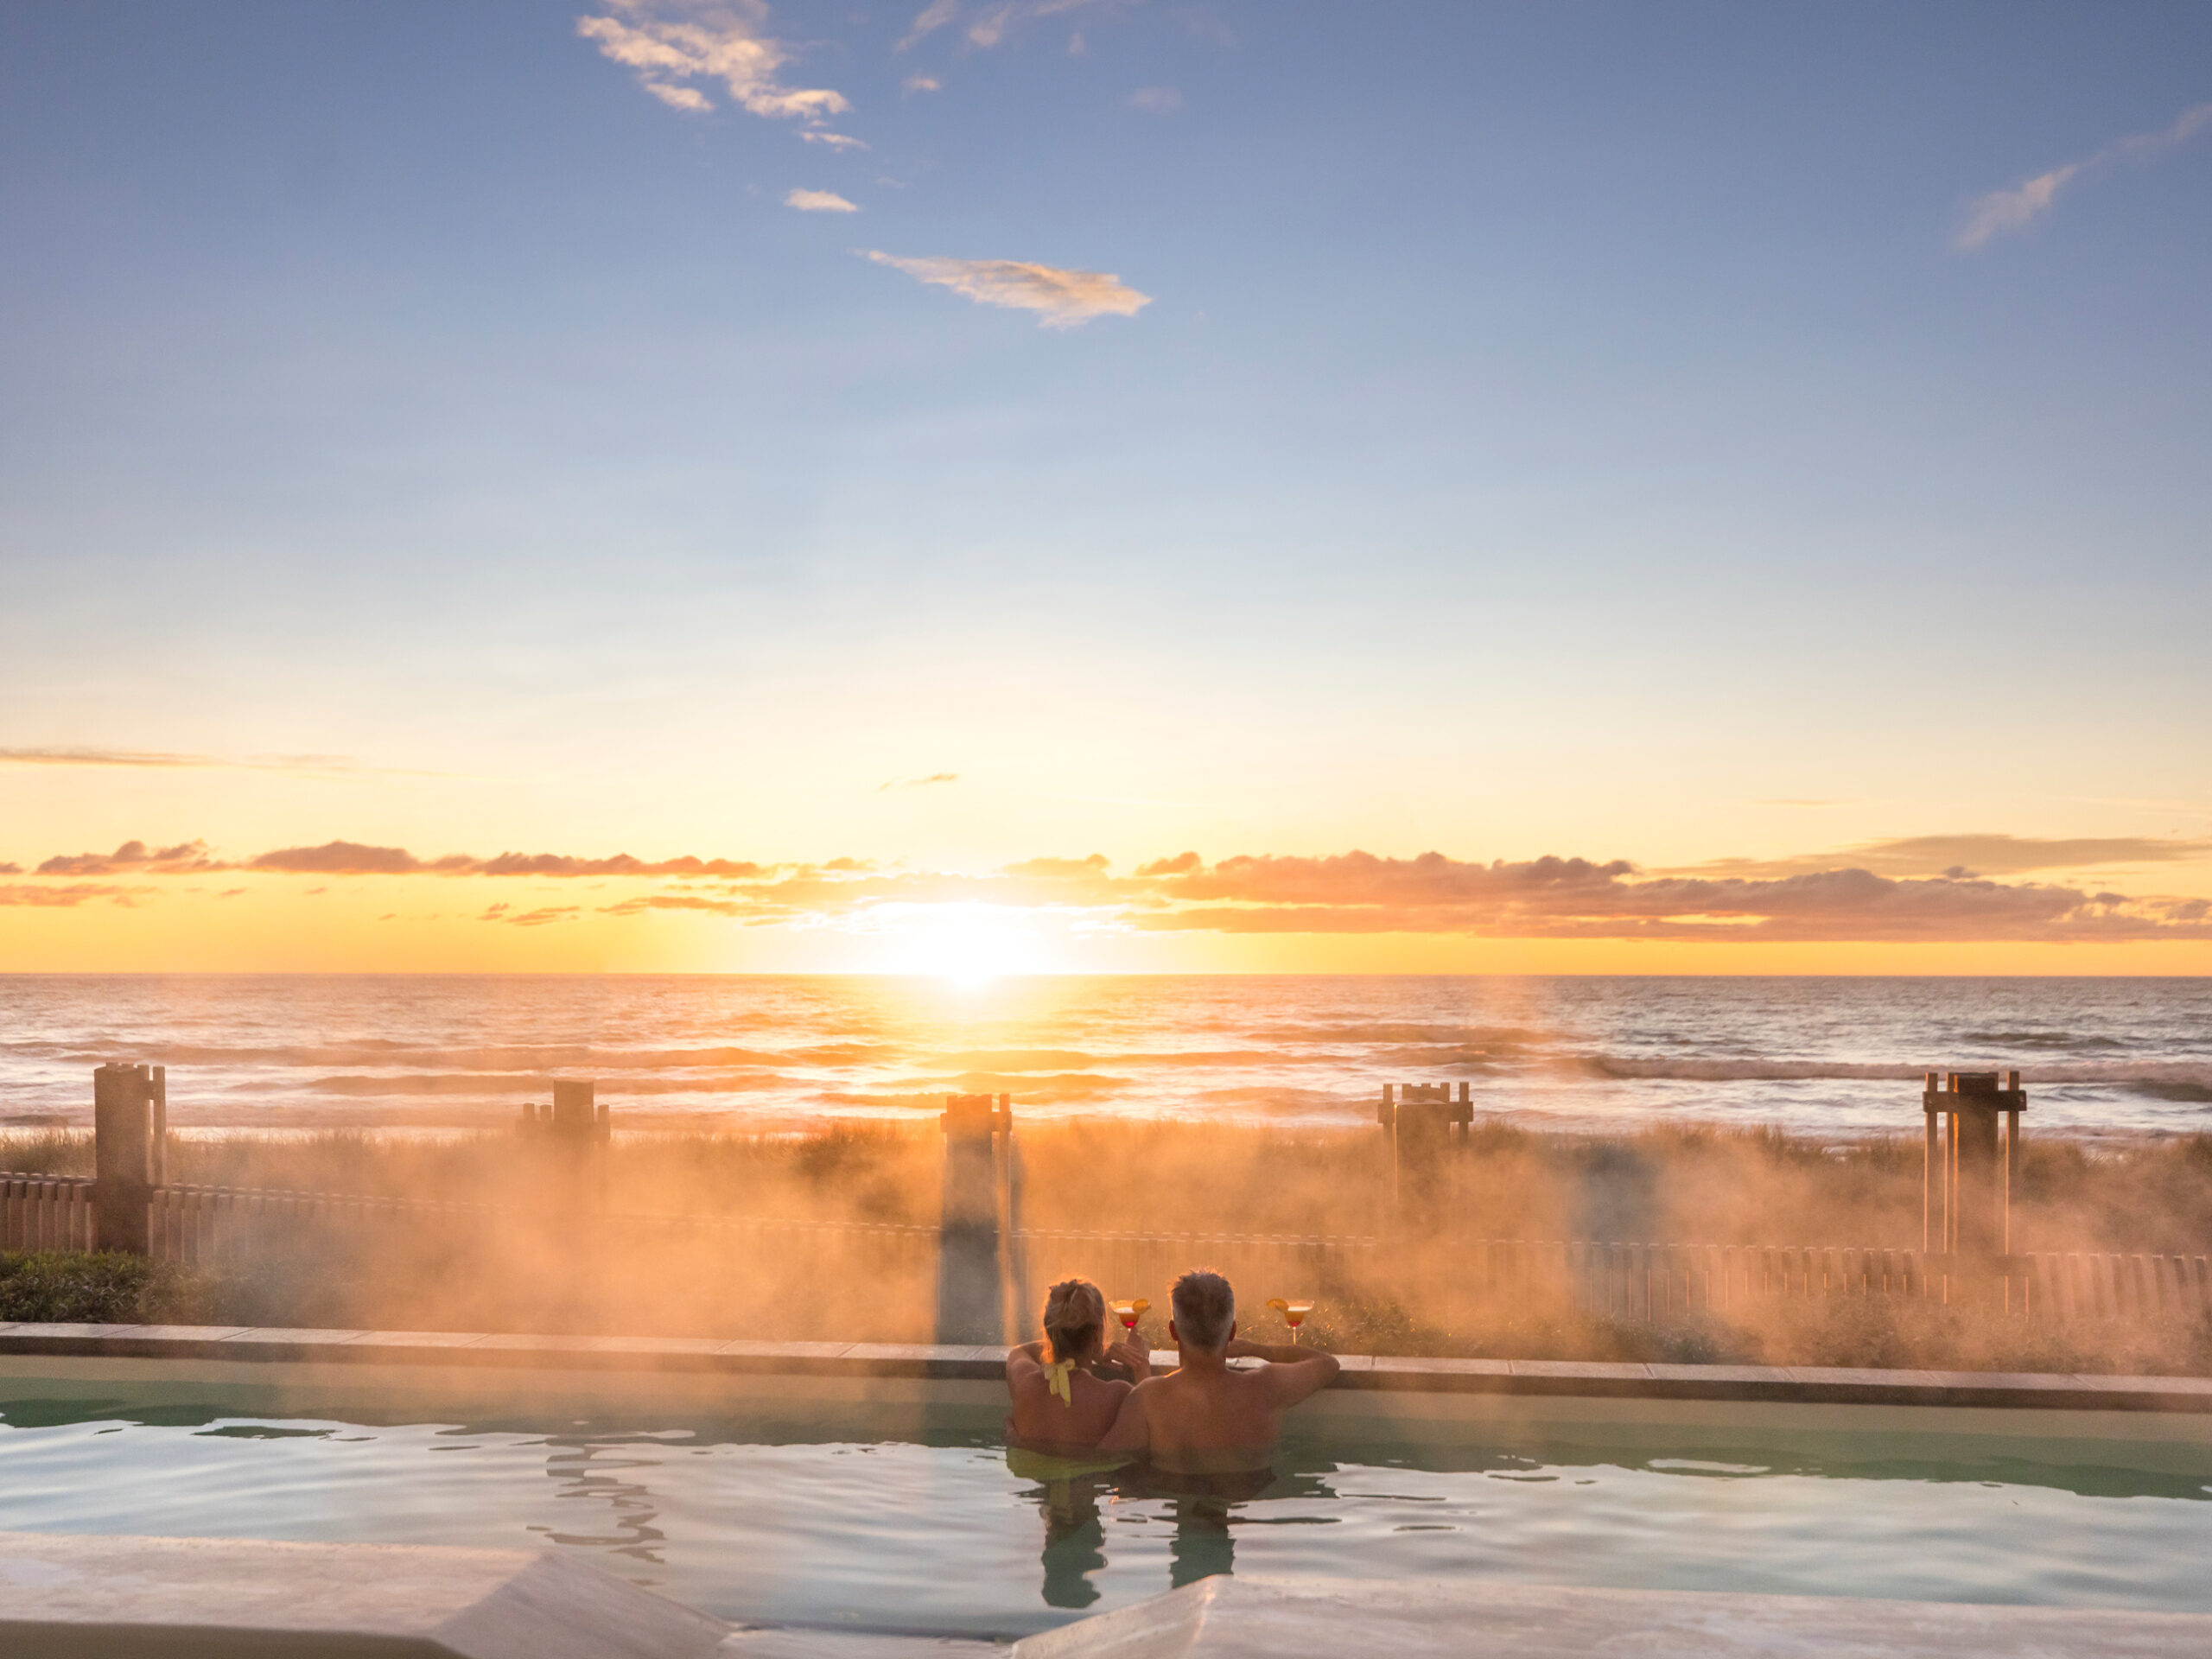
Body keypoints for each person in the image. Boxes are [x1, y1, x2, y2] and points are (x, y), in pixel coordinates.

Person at [1096, 1268, 1338, 1474]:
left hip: (1176, 1496)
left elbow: (1098, 1464)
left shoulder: (1148, 1397)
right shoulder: (1267, 1387)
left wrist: (1135, 1369)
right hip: (1249, 1497)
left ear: (1173, 1331)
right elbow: (1328, 1364)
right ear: (1232, 1332)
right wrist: (1259, 1349)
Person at [1005, 1277, 1154, 1454]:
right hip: (1096, 1470)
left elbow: (1019, 1351)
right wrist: (1141, 1366)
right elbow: (1156, 1431)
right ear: (1097, 1332)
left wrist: (1065, 1342)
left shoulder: (1025, 1384)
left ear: (1048, 1330)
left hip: (1032, 1470)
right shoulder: (1117, 1395)